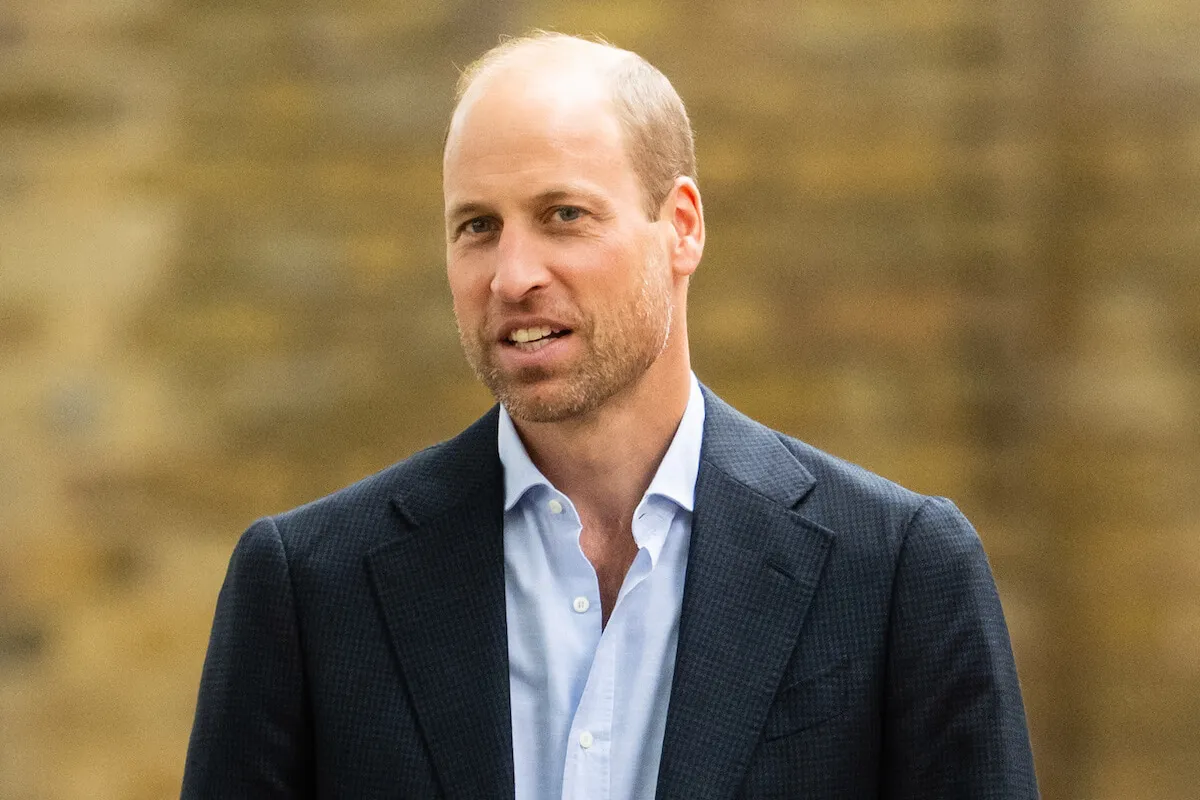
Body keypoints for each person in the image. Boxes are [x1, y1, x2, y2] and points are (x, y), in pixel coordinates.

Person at [182, 32, 1038, 799]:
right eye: (477, 226)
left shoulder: (895, 572)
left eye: (564, 215)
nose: (512, 274)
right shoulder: (310, 585)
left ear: (683, 228)